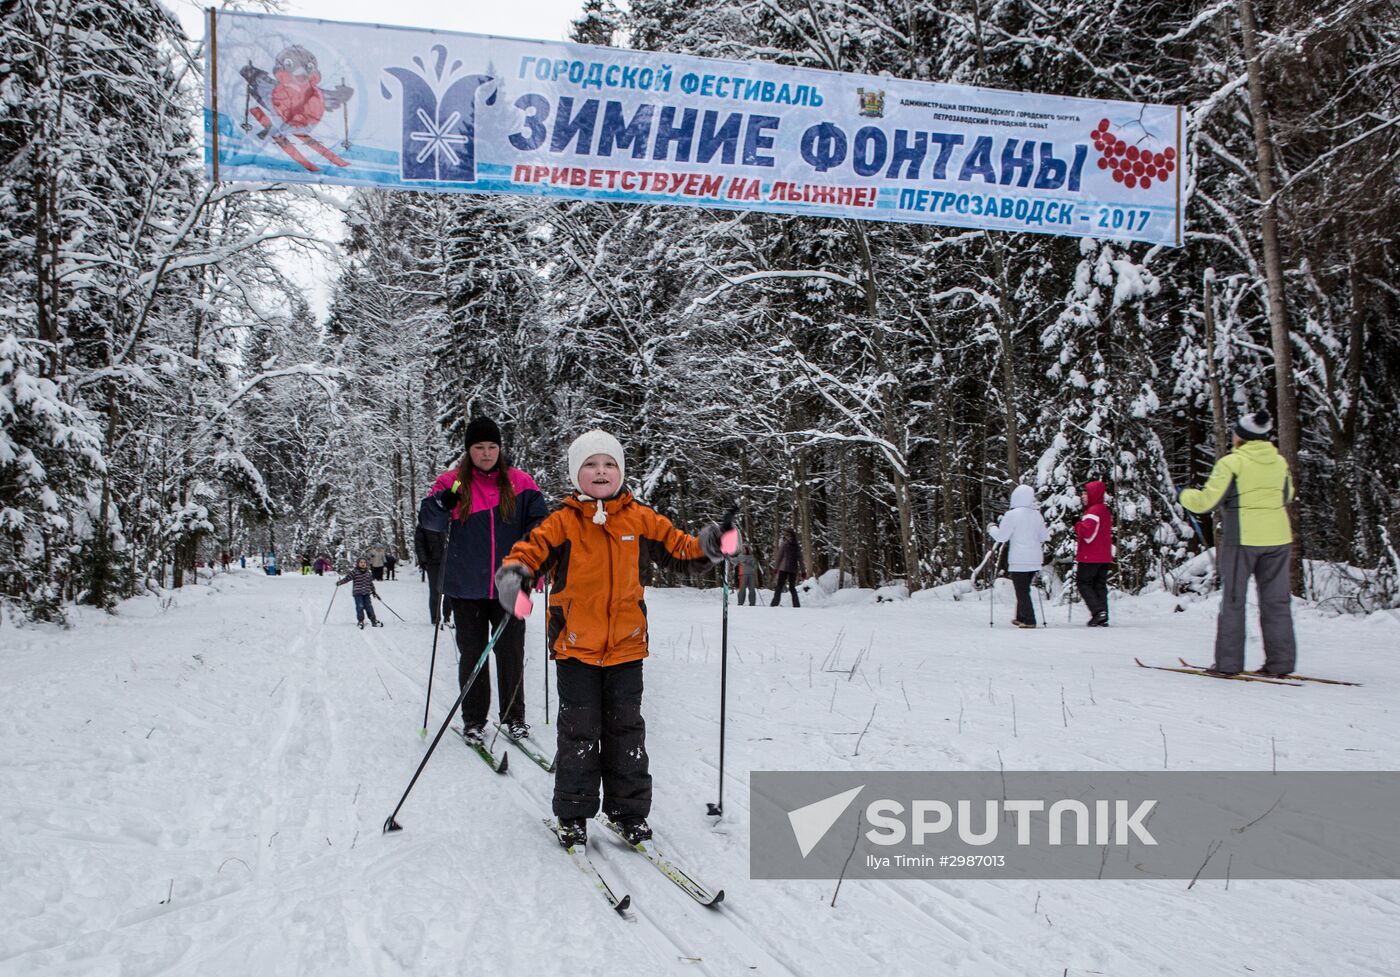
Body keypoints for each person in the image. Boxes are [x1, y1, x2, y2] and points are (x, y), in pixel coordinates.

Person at [493, 429, 736, 848]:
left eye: (609, 464)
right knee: (579, 732)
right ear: (576, 474)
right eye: (590, 464)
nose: (601, 471)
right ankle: (572, 813)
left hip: (627, 646)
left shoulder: (640, 519)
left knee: (627, 732)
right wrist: (515, 576)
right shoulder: (563, 522)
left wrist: (712, 544)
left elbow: (680, 550)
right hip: (575, 647)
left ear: (620, 472)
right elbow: (528, 552)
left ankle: (628, 813)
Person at [429, 417, 548, 743]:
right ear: (469, 450)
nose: (486, 453)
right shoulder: (451, 482)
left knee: (511, 652)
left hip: (512, 581)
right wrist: (443, 504)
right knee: (473, 654)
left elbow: (542, 525)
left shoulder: (521, 483)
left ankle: (515, 719)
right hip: (465, 584)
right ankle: (474, 721)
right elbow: (429, 521)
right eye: (479, 447)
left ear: (500, 448)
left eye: (492, 447)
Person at [1178, 410, 1296, 676]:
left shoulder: (1233, 463)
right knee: (1276, 602)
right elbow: (1287, 495)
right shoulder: (1279, 462)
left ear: (1241, 437)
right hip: (1278, 538)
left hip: (1242, 538)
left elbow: (1206, 502)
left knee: (1233, 600)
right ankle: (1281, 663)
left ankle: (1228, 664)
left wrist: (1184, 495)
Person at [988, 484, 1049, 628]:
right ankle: (1020, 616)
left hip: (1019, 559)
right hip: (1034, 559)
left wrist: (991, 528)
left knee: (1022, 590)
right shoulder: (1037, 515)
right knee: (1024, 588)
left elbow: (1002, 537)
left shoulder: (1012, 515)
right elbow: (1043, 536)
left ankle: (1029, 620)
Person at [1074, 480, 1114, 627]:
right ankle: (1103, 614)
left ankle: (1098, 612)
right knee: (1099, 585)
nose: (1083, 496)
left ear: (1093, 494)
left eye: (1085, 493)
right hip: (1104, 556)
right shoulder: (1103, 509)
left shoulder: (1093, 512)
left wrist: (1077, 524)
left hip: (1090, 556)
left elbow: (1087, 533)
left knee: (1083, 583)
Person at [414, 493, 451, 627]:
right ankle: (435, 617)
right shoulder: (423, 523)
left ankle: (447, 616)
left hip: (449, 560)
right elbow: (419, 543)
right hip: (433, 561)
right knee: (435, 590)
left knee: (450, 591)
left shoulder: (448, 519)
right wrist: (423, 560)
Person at [336, 557, 383, 629]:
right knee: (360, 606)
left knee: (369, 607)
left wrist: (374, 592)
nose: (363, 564)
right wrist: (340, 582)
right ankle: (361, 621)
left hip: (366, 593)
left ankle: (373, 620)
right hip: (358, 593)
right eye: (361, 562)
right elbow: (347, 578)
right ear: (358, 563)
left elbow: (370, 583)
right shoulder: (355, 572)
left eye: (364, 562)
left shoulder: (368, 573)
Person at [769, 528, 803, 607]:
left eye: (786, 534)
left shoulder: (784, 544)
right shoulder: (796, 545)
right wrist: (803, 570)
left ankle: (774, 603)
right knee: (792, 587)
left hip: (784, 568)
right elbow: (800, 559)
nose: (786, 536)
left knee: (779, 586)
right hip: (793, 569)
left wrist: (776, 568)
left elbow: (779, 557)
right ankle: (796, 605)